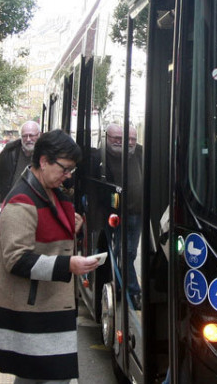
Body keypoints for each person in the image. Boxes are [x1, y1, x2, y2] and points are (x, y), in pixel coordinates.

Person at [0, 129, 99, 383]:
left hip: (45, 304)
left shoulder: (47, 190)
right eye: (64, 168)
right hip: (35, 308)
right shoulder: (22, 200)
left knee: (36, 375)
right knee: (48, 376)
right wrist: (68, 264)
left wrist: (70, 226)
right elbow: (16, 259)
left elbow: (45, 233)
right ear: (43, 161)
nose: (68, 175)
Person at [92, 123, 143, 308]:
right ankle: (133, 291)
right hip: (109, 215)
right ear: (107, 137)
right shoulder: (98, 157)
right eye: (118, 139)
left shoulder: (140, 153)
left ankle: (121, 285)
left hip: (135, 214)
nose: (125, 143)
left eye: (131, 139)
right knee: (115, 253)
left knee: (128, 253)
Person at [0, 121, 40, 206]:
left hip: (35, 203)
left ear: (39, 135)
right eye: (25, 136)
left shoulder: (45, 152)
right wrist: (0, 199)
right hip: (12, 202)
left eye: (31, 135)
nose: (28, 139)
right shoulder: (10, 150)